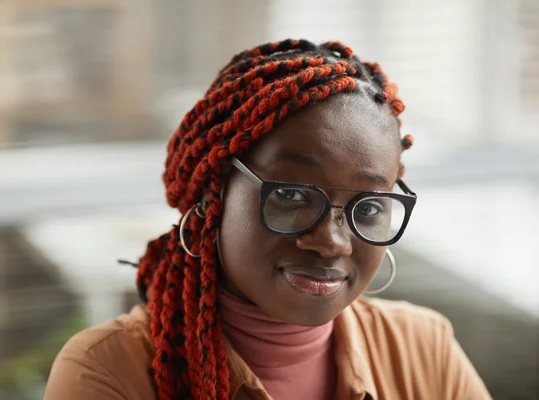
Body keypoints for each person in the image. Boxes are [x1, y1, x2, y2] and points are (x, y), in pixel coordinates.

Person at [44, 39, 491, 400]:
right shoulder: (109, 371)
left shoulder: (423, 348)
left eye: (369, 208)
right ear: (212, 194)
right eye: (293, 195)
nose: (333, 241)